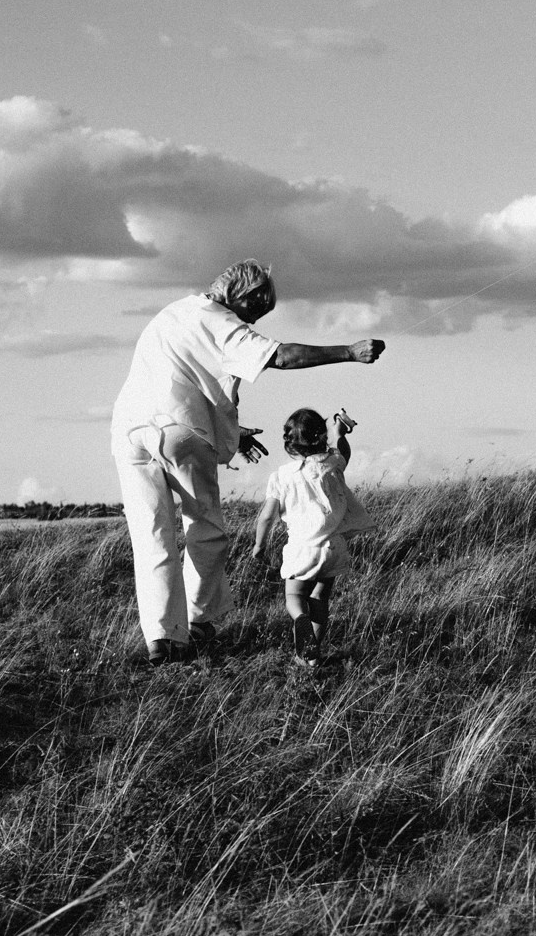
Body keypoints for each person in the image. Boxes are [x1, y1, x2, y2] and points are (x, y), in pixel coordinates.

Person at [108, 259, 384, 665]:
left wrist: (231, 434)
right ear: (245, 296)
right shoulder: (220, 320)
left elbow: (184, 376)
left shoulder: (174, 312)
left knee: (151, 538)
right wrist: (349, 352)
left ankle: (161, 640)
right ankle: (198, 624)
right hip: (182, 430)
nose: (254, 322)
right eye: (257, 311)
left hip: (129, 432)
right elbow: (281, 356)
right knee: (204, 529)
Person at [249, 407, 376, 665]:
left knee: (295, 597)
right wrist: (339, 433)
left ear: (289, 443)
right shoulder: (332, 465)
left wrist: (258, 545)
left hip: (302, 550)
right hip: (334, 547)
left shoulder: (282, 476)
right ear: (321, 437)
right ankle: (311, 655)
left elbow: (266, 517)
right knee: (319, 598)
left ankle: (300, 620)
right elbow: (344, 453)